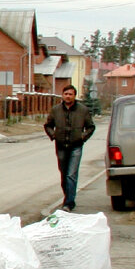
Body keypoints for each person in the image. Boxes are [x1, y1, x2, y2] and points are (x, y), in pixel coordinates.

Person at [43, 84, 96, 212]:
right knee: (64, 174)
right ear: (62, 95)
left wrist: (82, 137)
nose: (68, 96)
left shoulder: (82, 110)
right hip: (61, 146)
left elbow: (91, 126)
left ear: (74, 96)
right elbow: (48, 125)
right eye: (65, 94)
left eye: (70, 94)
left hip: (75, 146)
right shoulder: (56, 110)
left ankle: (68, 203)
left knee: (71, 174)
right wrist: (53, 135)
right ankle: (68, 197)